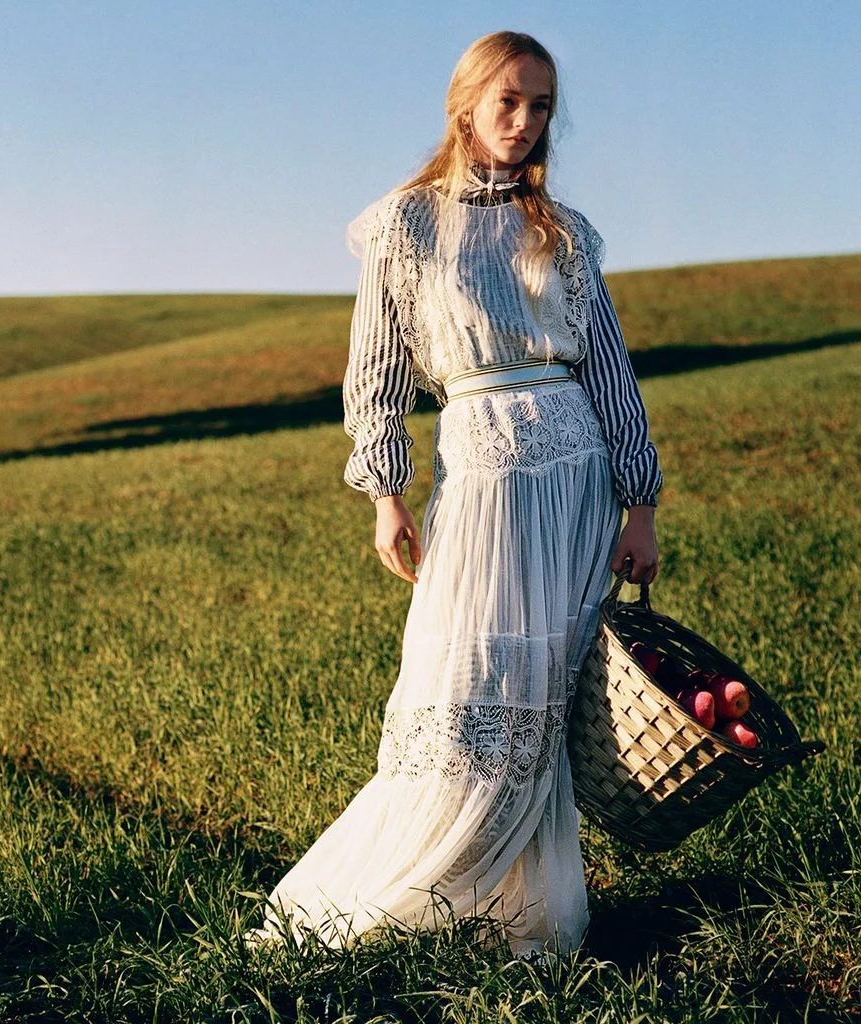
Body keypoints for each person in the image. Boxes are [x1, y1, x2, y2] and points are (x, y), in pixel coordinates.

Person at [248, 30, 663, 961]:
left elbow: (609, 369)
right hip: (480, 469)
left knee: (549, 689)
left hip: (578, 477)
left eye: (541, 105)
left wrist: (639, 503)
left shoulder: (565, 234)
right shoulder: (408, 224)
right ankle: (422, 889)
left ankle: (526, 910)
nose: (525, 121)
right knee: (469, 676)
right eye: (508, 101)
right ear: (466, 105)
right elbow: (376, 371)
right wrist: (386, 493)